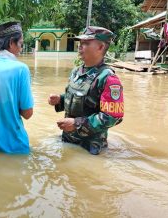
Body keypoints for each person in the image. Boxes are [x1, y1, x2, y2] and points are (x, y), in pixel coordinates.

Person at [48, 26, 124, 155]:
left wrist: (77, 124)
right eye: (80, 43)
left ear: (100, 47)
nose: (80, 46)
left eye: (86, 43)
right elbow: (80, 99)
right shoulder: (76, 71)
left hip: (90, 147)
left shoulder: (108, 78)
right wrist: (60, 100)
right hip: (68, 139)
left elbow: (113, 116)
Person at [0, 21, 34, 154]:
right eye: (20, 44)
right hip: (15, 146)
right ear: (11, 43)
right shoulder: (21, 69)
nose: (21, 49)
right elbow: (28, 113)